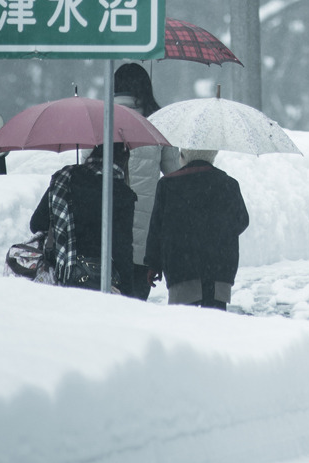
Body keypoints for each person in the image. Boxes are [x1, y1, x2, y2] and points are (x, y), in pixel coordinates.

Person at [144, 149, 249, 309]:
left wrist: (153, 264)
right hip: (219, 268)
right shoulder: (228, 183)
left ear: (184, 156)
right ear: (212, 155)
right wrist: (219, 235)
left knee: (183, 325)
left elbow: (157, 228)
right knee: (214, 324)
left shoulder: (168, 184)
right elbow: (242, 220)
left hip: (181, 266)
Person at [30, 143, 137, 291]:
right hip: (99, 280)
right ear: (123, 160)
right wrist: (128, 290)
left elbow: (36, 224)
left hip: (60, 278)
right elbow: (122, 249)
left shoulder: (65, 178)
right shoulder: (122, 195)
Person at [113, 61, 179, 300]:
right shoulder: (158, 124)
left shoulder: (100, 121)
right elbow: (175, 175)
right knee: (136, 308)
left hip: (106, 237)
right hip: (143, 245)